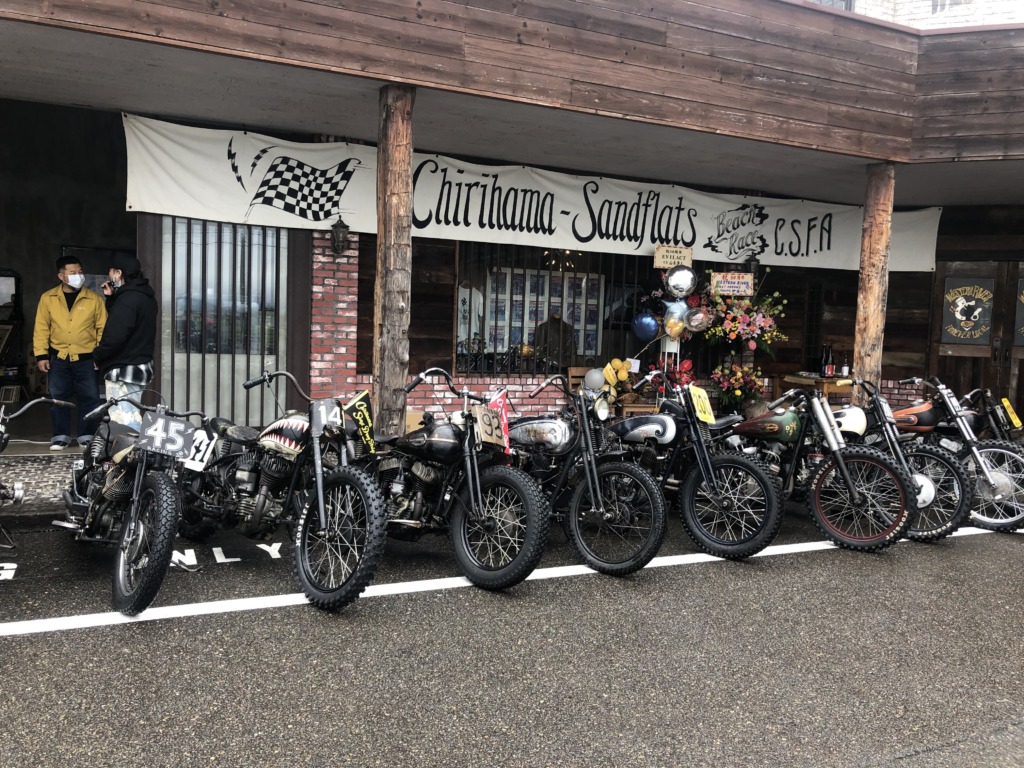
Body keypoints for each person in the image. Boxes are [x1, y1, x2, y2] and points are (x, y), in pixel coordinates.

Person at [33, 255, 107, 450]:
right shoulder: (48, 298)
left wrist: (99, 356)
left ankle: (86, 435)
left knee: (90, 398)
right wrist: (41, 355)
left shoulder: (94, 299)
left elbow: (102, 329)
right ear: (61, 276)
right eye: (73, 272)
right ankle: (60, 436)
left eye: (80, 271)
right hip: (59, 358)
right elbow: (41, 328)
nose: (78, 275)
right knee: (58, 398)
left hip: (87, 359)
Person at [93, 254, 157, 431]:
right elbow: (129, 324)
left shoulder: (128, 299)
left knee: (124, 423)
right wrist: (112, 298)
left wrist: (97, 355)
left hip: (123, 369)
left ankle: (131, 449)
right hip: (140, 366)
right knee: (131, 415)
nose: (109, 276)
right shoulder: (146, 296)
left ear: (118, 273)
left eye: (111, 272)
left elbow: (115, 337)